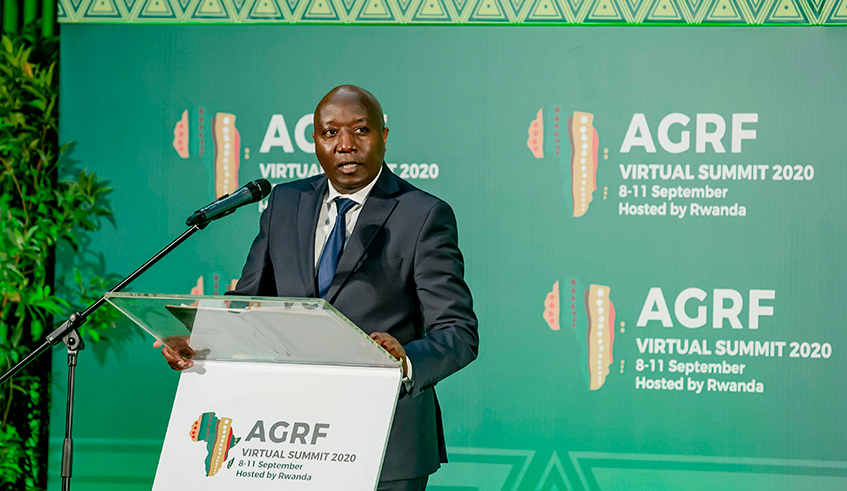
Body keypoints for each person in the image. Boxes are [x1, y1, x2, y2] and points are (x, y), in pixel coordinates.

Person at [156, 85, 479, 491]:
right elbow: (252, 302)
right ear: (314, 140)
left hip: (386, 440)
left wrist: (404, 361)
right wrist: (201, 338)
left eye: (360, 130)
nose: (345, 145)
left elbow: (458, 332)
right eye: (330, 133)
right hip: (290, 435)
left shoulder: (423, 214)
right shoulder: (286, 203)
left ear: (384, 135)